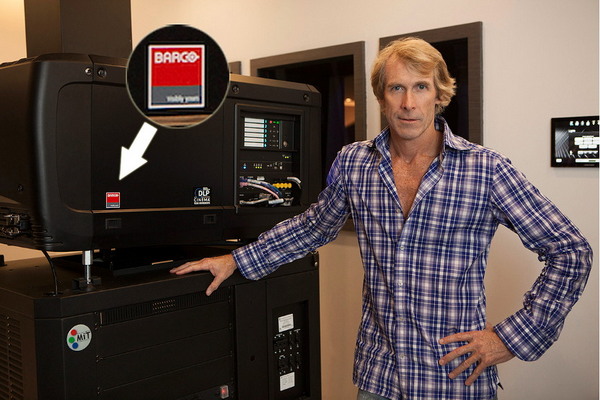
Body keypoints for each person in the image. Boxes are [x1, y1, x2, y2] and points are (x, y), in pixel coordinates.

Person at [171, 37, 592, 400]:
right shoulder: (355, 163)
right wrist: (236, 260)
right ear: (381, 96)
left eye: (421, 87)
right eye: (396, 88)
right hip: (380, 375)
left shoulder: (485, 169)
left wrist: (510, 338)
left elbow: (571, 251)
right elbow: (313, 227)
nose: (408, 103)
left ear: (439, 95)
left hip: (452, 377)